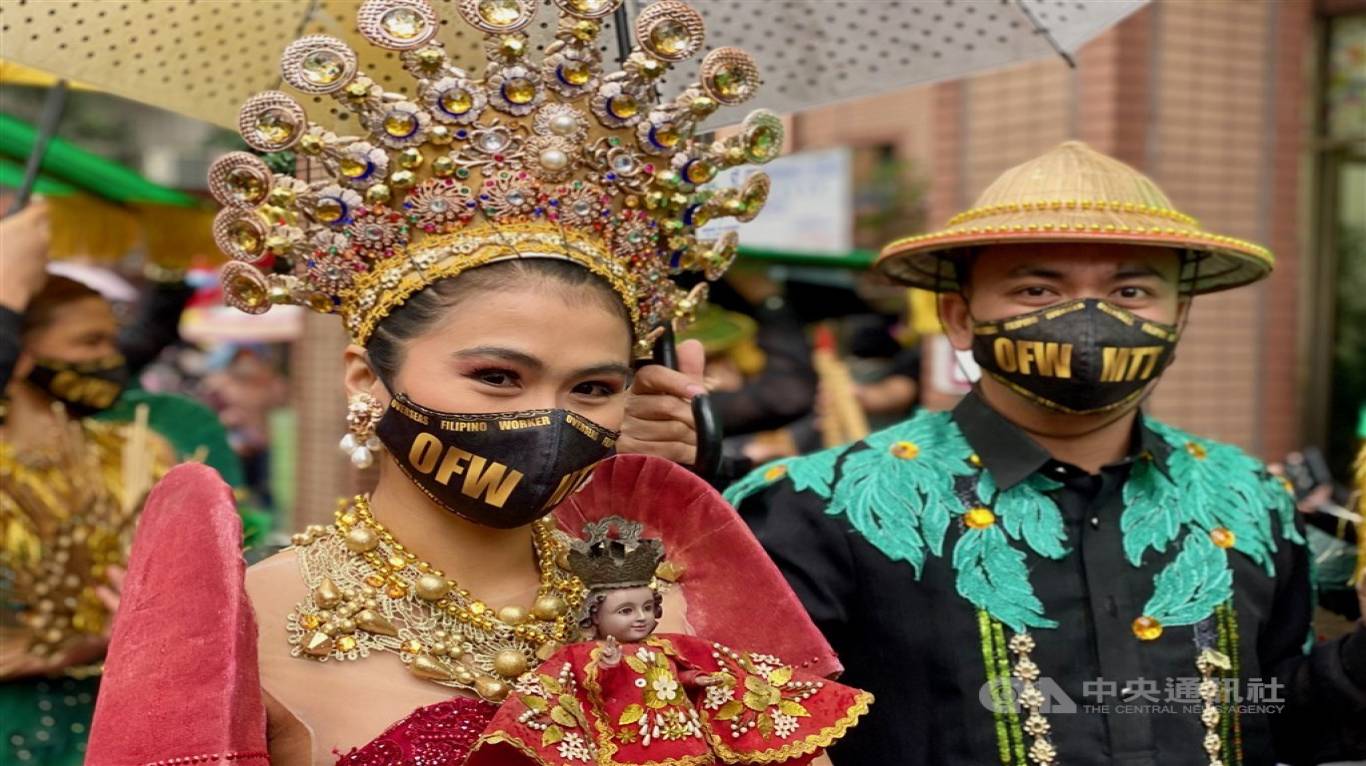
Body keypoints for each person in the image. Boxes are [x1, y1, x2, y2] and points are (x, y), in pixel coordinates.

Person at [84, 0, 846, 763]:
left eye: (590, 389)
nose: (547, 423)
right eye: (496, 377)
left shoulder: (675, 605)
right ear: (366, 379)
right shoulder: (247, 626)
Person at [727, 142, 1366, 765]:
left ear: (1181, 315)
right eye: (1037, 290)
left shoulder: (1249, 497)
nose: (1088, 318)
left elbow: (1280, 718)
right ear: (959, 316)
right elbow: (750, 729)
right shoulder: (816, 508)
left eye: (1131, 294)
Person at [470, 516, 870, 765]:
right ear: (594, 617)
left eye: (646, 608)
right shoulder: (581, 657)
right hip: (621, 746)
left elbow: (691, 672)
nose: (641, 618)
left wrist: (701, 681)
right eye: (626, 612)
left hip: (683, 740)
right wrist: (602, 669)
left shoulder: (669, 647)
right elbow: (565, 695)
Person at [0, 204, 170, 765]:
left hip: (117, 716)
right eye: (89, 344)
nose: (111, 360)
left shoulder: (139, 452)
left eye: (112, 341)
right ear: (22, 357)